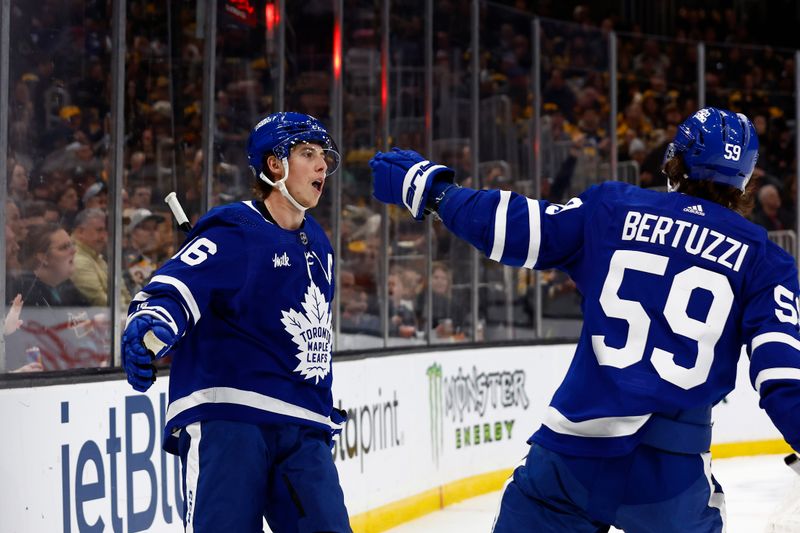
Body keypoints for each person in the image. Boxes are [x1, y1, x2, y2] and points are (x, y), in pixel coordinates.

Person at [370, 107, 800, 532]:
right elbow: (783, 377)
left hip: (573, 453)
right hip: (671, 477)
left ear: (676, 160)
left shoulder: (613, 207)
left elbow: (518, 226)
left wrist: (433, 191)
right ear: (745, 179)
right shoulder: (767, 261)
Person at [121, 112, 351, 533]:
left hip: (303, 424)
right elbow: (176, 285)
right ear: (274, 165)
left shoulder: (319, 240)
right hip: (232, 418)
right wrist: (153, 322)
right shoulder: (236, 228)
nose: (322, 165)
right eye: (307, 153)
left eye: (323, 156)